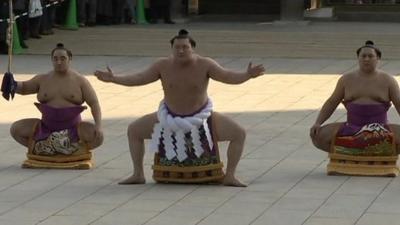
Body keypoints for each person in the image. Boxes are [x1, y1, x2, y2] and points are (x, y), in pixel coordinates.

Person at [94, 29, 265, 187]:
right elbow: (139, 78)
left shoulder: (205, 64)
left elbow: (227, 76)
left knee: (239, 133)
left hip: (202, 119)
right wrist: (114, 79)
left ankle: (230, 176)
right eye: (177, 47)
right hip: (168, 118)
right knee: (134, 130)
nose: (181, 51)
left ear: (193, 48)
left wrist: (247, 75)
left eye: (185, 47)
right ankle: (138, 174)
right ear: (172, 49)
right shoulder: (162, 65)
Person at [5, 43, 103, 155]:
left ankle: (69, 148)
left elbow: (94, 103)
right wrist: (11, 84)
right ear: (51, 60)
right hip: (46, 127)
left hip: (73, 129)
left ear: (70, 59)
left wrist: (98, 125)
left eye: (63, 58)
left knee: (98, 137)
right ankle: (44, 147)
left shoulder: (80, 81)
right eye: (55, 59)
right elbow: (24, 88)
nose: (59, 62)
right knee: (16, 129)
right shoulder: (42, 79)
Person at [310, 40, 400, 154]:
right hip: (351, 127)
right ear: (358, 58)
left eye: (370, 56)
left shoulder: (388, 80)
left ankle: (364, 153)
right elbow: (332, 102)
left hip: (380, 129)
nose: (366, 59)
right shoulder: (346, 80)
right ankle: (352, 154)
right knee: (318, 135)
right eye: (363, 56)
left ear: (378, 58)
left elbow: (399, 104)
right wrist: (318, 122)